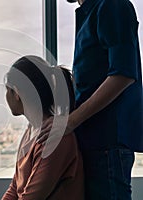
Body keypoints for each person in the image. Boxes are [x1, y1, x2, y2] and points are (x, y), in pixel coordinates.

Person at [38, 0, 143, 199]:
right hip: (94, 141)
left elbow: (123, 75)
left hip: (107, 142)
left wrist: (71, 121)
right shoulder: (91, 12)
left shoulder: (112, 5)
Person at [1, 55, 84, 200]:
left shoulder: (54, 138)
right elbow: (15, 188)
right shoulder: (30, 131)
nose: (6, 95)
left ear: (17, 93)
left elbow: (31, 197)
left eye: (7, 90)